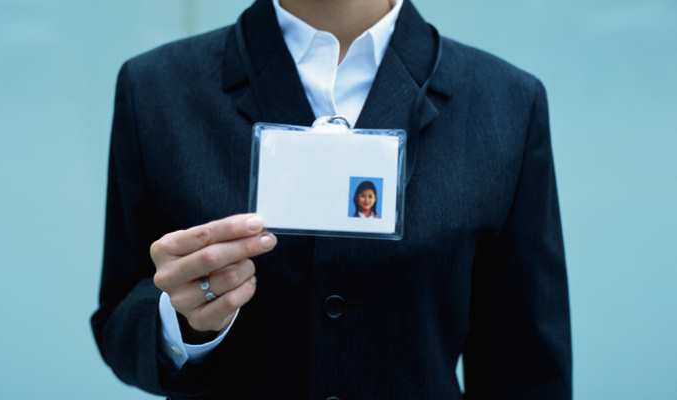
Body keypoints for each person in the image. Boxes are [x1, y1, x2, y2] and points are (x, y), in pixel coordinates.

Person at [90, 0, 573, 399]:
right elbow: (119, 324)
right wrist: (179, 322)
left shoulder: (506, 103)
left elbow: (528, 369)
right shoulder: (156, 90)